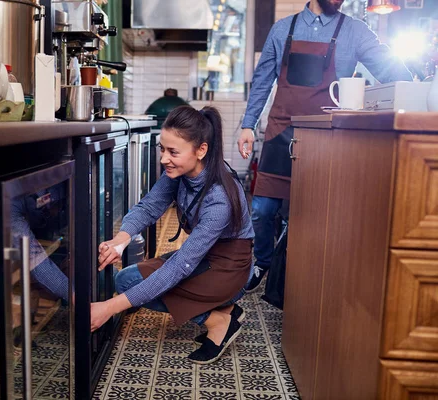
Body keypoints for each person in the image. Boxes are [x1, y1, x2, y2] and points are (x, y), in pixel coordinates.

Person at [237, 0, 412, 291]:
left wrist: (419, 86)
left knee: (311, 212)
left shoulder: (356, 31)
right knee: (263, 209)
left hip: (325, 137)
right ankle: (264, 260)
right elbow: (262, 80)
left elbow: (390, 67)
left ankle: (299, 274)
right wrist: (248, 124)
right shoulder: (282, 29)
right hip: (281, 130)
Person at [90, 106, 255, 364]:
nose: (164, 158)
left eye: (173, 152)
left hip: (229, 267)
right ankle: (227, 309)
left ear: (201, 150)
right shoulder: (179, 171)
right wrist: (120, 239)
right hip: (203, 255)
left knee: (134, 283)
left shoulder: (219, 198)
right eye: (162, 150)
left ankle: (220, 320)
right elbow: (150, 206)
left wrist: (107, 308)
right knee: (128, 280)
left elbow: (180, 267)